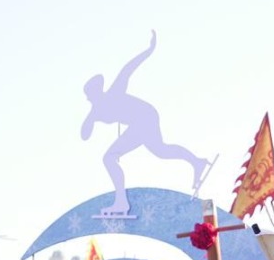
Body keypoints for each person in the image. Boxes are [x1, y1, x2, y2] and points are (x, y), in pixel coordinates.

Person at [80, 30, 210, 216]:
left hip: (144, 118)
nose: (89, 100)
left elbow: (128, 69)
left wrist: (149, 50)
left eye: (91, 96)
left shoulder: (113, 92)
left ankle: (121, 202)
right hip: (143, 120)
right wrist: (91, 116)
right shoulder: (97, 110)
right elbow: (84, 134)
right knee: (161, 150)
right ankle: (196, 162)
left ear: (97, 92)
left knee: (109, 157)